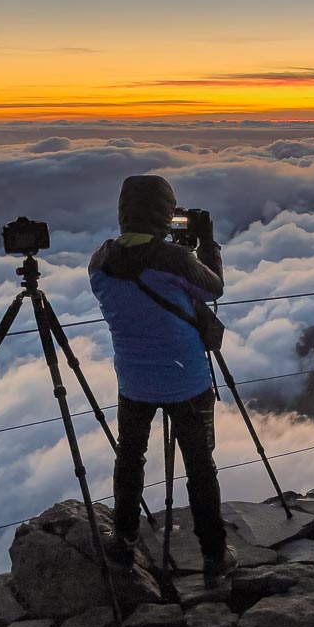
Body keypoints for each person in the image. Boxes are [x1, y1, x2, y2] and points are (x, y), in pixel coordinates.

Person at [89, 175, 237, 585]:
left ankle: (124, 539)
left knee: (129, 457)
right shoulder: (174, 260)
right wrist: (207, 244)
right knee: (200, 466)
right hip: (186, 379)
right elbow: (214, 289)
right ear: (163, 212)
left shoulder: (99, 260)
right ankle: (213, 555)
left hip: (133, 379)